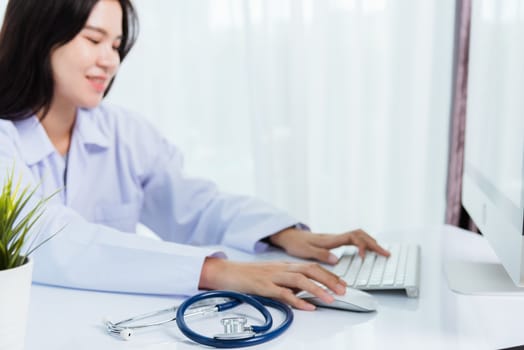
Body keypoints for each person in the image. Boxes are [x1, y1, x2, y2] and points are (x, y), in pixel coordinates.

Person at [0, 0, 389, 311]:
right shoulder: (5, 139)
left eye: (116, 45)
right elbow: (49, 239)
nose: (110, 60)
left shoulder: (123, 131)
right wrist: (214, 271)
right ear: (40, 36)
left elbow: (192, 204)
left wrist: (282, 234)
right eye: (93, 39)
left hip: (112, 324)